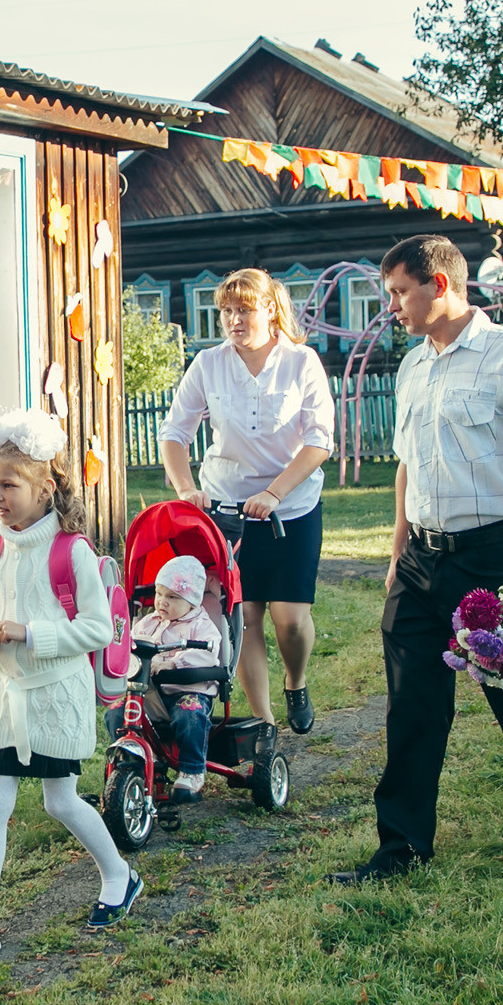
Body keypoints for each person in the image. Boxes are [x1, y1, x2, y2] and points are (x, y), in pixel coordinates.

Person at [335, 233, 503, 884]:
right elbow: (406, 465)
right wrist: (398, 549)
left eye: (400, 292)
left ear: (440, 285)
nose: (392, 306)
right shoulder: (412, 367)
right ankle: (401, 849)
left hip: (492, 557)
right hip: (420, 560)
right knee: (412, 709)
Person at [0, 409, 139, 966]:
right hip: (11, 697)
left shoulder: (71, 551)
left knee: (60, 801)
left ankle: (118, 875)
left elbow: (97, 628)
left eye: (9, 485)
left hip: (58, 696)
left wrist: (30, 632)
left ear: (45, 487)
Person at [159, 268, 334, 735]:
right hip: (227, 511)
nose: (234, 320)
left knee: (290, 620)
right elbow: (175, 433)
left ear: (270, 310)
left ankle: (296, 681)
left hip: (291, 508)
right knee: (244, 616)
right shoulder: (209, 364)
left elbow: (319, 441)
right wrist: (185, 489)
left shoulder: (301, 362)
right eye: (227, 311)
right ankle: (265, 724)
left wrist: (275, 492)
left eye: (245, 310)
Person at [127, 555, 227, 798]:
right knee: (118, 714)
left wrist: (174, 662)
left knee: (189, 715)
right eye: (159, 594)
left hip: (187, 691)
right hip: (151, 695)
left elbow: (208, 652)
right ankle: (135, 761)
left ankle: (192, 770)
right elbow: (131, 645)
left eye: (172, 597)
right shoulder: (149, 622)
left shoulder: (201, 625)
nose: (162, 602)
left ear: (191, 602)